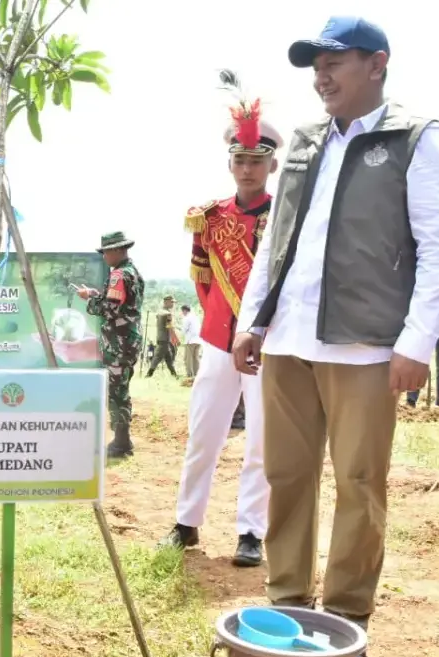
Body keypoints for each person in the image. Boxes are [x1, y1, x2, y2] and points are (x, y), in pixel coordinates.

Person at [233, 16, 439, 657]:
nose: (322, 75)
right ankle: (283, 609)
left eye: (336, 61)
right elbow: (275, 240)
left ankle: (344, 626)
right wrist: (253, 320)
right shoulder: (308, 141)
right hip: (287, 341)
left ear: (378, 64)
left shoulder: (415, 139)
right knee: (286, 478)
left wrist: (418, 340)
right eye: (316, 64)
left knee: (361, 484)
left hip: (365, 347)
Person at [163, 87, 280, 567]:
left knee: (261, 441)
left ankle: (251, 531)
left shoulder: (286, 216)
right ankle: (186, 522)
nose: (248, 168)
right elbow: (204, 282)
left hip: (269, 343)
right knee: (203, 433)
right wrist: (222, 328)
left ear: (272, 165)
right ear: (230, 163)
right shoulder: (208, 218)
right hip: (216, 340)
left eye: (257, 159)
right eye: (240, 159)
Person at [77, 231, 145, 458]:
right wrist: (100, 295)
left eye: (106, 251)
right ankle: (121, 439)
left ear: (117, 250)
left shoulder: (118, 275)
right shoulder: (133, 273)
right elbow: (120, 303)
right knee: (121, 388)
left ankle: (121, 441)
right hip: (128, 340)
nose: (104, 256)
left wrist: (90, 298)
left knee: (117, 391)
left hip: (118, 342)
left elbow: (109, 309)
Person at [146, 295, 179, 377]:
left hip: (161, 338)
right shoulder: (167, 314)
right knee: (157, 357)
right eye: (171, 302)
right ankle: (149, 374)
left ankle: (174, 374)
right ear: (166, 302)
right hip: (164, 339)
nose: (173, 304)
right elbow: (169, 327)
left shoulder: (160, 312)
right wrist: (175, 339)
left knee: (169, 358)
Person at [179, 304, 201, 378]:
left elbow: (184, 330)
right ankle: (197, 373)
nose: (182, 313)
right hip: (198, 340)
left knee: (188, 358)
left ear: (184, 310)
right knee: (196, 358)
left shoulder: (186, 318)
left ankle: (190, 374)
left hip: (190, 340)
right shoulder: (196, 317)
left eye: (182, 311)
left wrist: (180, 332)